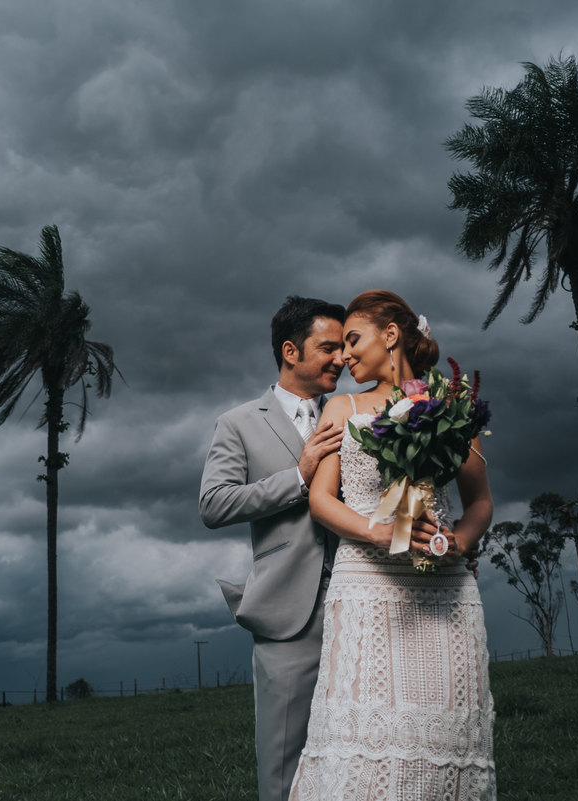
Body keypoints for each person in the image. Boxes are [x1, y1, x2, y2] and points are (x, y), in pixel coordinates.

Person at [290, 290, 496, 800]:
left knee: (445, 733)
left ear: (390, 335)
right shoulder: (341, 406)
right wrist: (378, 531)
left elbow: (480, 503)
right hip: (366, 587)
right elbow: (321, 500)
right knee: (364, 740)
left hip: (445, 590)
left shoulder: (453, 405)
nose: (344, 355)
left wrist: (457, 542)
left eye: (353, 340)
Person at [199, 295, 346, 801]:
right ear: (290, 351)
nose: (341, 359)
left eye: (344, 347)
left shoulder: (355, 416)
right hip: (287, 613)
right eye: (328, 347)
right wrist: (298, 477)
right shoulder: (238, 422)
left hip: (362, 604)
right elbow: (213, 504)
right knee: (283, 765)